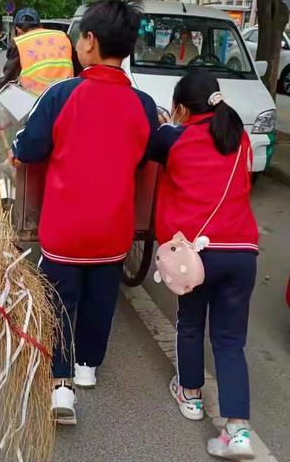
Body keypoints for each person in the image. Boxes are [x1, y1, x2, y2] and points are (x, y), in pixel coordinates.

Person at [10, 0, 158, 425]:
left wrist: (18, 153)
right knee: (100, 300)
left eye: (79, 37)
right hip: (114, 231)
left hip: (64, 229)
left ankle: (61, 385)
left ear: (90, 41)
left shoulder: (61, 94)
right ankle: (88, 367)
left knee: (60, 300)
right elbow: (148, 150)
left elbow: (29, 146)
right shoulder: (144, 104)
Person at [148, 70, 258, 460]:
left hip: (196, 254)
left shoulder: (174, 136)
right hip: (243, 251)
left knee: (191, 323)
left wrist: (165, 123)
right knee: (230, 340)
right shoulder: (239, 137)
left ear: (181, 107)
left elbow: (151, 147)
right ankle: (238, 430)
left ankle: (190, 396)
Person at [0, 8, 76, 95]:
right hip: (66, 96)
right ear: (40, 26)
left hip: (36, 100)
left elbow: (8, 80)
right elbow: (76, 68)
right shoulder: (63, 36)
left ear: (18, 30)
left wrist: (0, 88)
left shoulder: (19, 42)